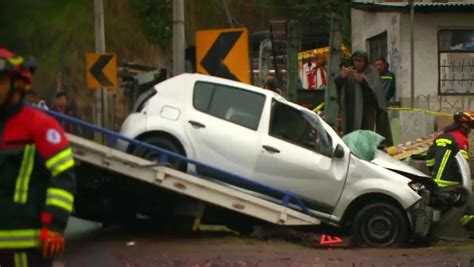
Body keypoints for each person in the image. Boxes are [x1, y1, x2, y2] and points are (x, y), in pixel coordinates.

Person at [0, 49, 76, 267]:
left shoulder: (40, 126)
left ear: (18, 85)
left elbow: (63, 177)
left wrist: (54, 226)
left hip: (27, 246)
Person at [426, 111, 474, 230]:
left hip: (434, 183)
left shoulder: (441, 137)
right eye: (471, 127)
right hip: (450, 184)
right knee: (469, 201)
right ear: (465, 125)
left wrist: (434, 174)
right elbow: (463, 166)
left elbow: (429, 159)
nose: (471, 130)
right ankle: (469, 228)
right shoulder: (461, 139)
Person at [335, 50, 393, 146]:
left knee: (365, 135)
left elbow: (376, 92)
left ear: (365, 61)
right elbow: (337, 84)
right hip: (351, 108)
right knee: (350, 132)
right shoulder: (350, 70)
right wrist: (342, 77)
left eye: (359, 61)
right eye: (355, 60)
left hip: (367, 110)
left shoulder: (371, 71)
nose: (357, 63)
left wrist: (364, 81)